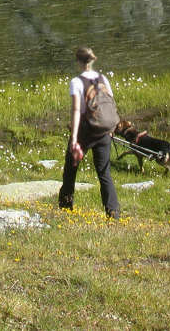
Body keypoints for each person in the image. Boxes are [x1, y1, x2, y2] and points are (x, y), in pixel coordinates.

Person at [59, 45, 122, 219]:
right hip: (104, 131)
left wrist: (74, 139)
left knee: (70, 169)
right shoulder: (103, 78)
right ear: (92, 60)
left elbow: (77, 111)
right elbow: (110, 102)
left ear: (78, 61)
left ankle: (65, 208)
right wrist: (111, 129)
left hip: (86, 131)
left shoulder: (76, 82)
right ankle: (113, 214)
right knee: (104, 172)